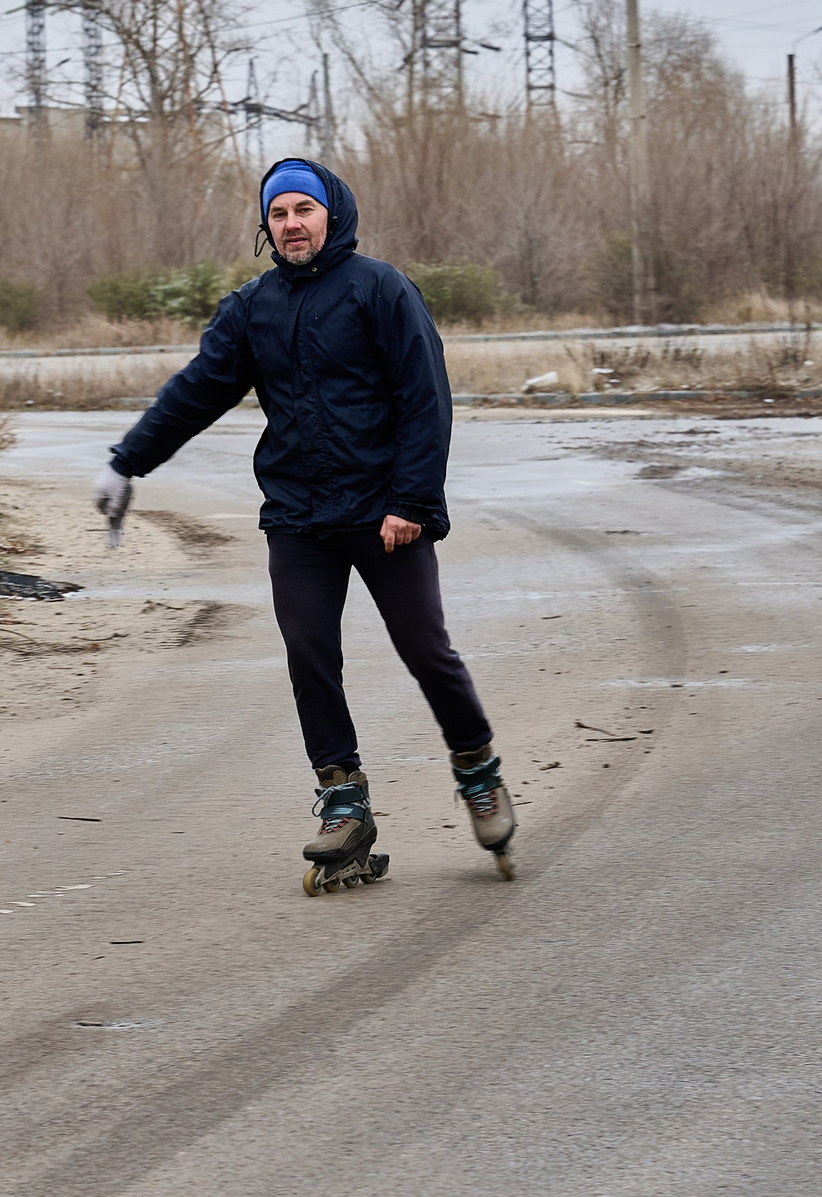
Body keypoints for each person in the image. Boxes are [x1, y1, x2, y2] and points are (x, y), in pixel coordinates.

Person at [91, 158, 517, 883]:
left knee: (424, 647)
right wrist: (128, 459)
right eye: (279, 214)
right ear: (267, 225)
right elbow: (196, 391)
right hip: (298, 513)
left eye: (303, 211)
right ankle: (343, 801)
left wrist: (411, 502)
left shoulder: (380, 289)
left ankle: (478, 771)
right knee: (308, 647)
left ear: (332, 214)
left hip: (386, 512)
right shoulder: (253, 306)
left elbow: (425, 398)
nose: (291, 224)